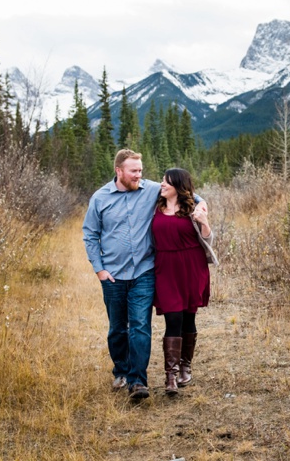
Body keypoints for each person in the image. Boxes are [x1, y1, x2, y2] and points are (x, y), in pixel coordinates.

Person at [82, 150, 206, 399]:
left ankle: (138, 381)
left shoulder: (150, 189)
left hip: (144, 271)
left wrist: (202, 205)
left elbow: (186, 192)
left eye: (141, 170)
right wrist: (100, 269)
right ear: (119, 171)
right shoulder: (100, 198)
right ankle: (121, 370)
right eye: (134, 171)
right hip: (113, 274)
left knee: (140, 325)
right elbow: (90, 234)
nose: (140, 175)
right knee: (118, 328)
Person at [152, 168, 218, 396]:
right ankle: (170, 375)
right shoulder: (155, 206)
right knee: (173, 318)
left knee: (188, 318)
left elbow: (208, 238)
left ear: (178, 186)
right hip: (165, 268)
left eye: (166, 182)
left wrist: (205, 221)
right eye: (162, 181)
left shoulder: (192, 209)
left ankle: (185, 367)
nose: (162, 185)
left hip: (192, 267)